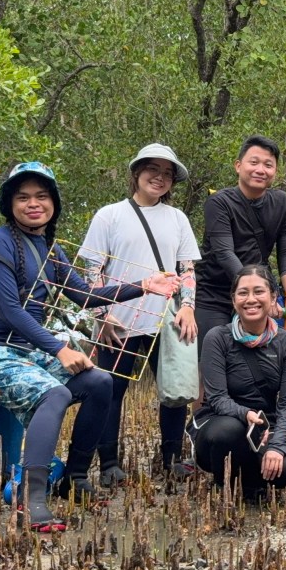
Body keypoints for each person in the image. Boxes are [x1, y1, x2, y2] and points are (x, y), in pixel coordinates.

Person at [0, 162, 176, 531]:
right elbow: (11, 312)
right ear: (9, 203)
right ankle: (32, 498)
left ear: (53, 203)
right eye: (23, 197)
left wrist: (145, 285)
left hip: (26, 351)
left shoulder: (49, 248)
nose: (33, 204)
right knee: (55, 393)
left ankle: (73, 479)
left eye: (41, 196)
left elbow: (87, 296)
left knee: (100, 383)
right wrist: (60, 349)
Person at [79, 144, 200, 484]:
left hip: (166, 319)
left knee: (173, 390)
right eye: (153, 170)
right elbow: (92, 268)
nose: (159, 178)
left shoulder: (178, 219)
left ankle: (172, 459)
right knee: (111, 390)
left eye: (167, 173)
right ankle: (109, 464)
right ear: (137, 172)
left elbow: (186, 268)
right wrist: (101, 314)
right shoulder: (109, 215)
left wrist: (188, 307)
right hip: (120, 320)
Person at [190, 265, 286, 496]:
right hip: (220, 422)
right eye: (243, 293)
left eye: (259, 292)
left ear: (273, 297)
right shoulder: (217, 338)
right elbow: (217, 398)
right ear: (233, 300)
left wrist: (276, 444)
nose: (251, 299)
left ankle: (251, 484)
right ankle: (225, 483)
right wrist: (246, 415)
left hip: (264, 426)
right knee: (228, 431)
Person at [195, 136, 286, 345]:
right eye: (254, 162)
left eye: (268, 165)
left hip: (258, 296)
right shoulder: (219, 203)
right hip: (215, 296)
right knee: (214, 357)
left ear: (275, 171)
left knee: (266, 360)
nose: (261, 169)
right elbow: (224, 254)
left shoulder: (282, 202)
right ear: (238, 166)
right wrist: (255, 291)